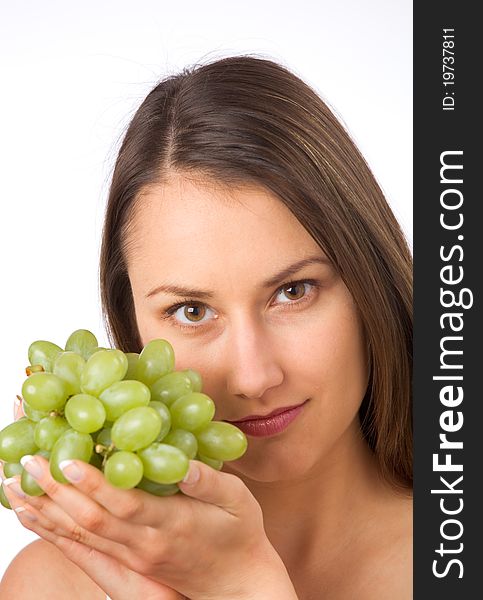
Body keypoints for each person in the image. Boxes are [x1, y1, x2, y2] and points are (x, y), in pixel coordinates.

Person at [0, 54, 412, 599]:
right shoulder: (54, 587)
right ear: (133, 327)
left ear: (369, 281)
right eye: (192, 311)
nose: (253, 376)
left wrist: (243, 588)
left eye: (294, 291)